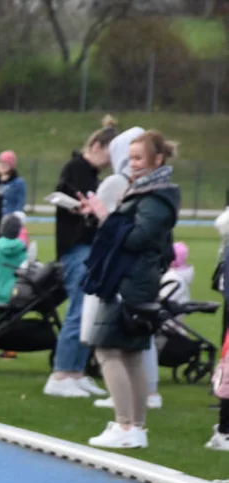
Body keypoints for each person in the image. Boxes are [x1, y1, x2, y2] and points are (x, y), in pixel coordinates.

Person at [79, 130, 180, 449]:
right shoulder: (147, 191)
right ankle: (135, 427)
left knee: (107, 348)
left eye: (138, 158)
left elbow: (138, 238)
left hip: (132, 281)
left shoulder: (157, 195)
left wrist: (106, 217)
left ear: (158, 160)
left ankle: (125, 425)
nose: (132, 164)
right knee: (132, 351)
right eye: (129, 158)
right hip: (135, 278)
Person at [44, 116, 118, 399]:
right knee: (79, 309)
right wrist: (82, 209)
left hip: (88, 247)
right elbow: (66, 197)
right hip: (77, 248)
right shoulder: (76, 168)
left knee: (89, 310)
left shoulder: (93, 175)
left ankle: (76, 371)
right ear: (97, 146)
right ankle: (61, 372)